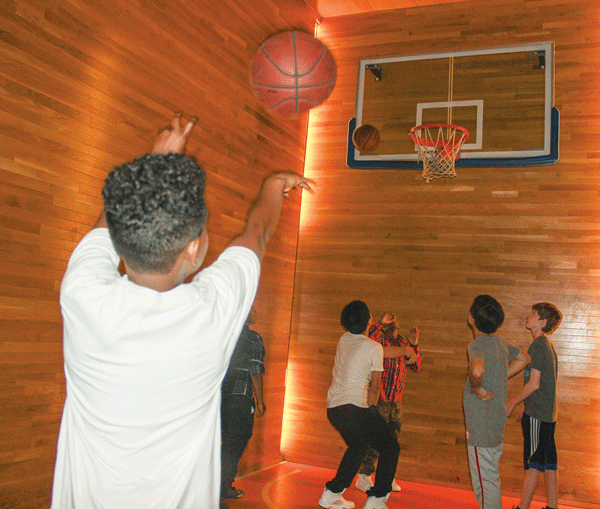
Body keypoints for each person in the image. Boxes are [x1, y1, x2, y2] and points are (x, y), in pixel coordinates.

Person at [50, 113, 313, 509]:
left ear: (120, 240)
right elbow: (256, 233)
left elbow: (110, 222)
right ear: (193, 248)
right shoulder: (212, 311)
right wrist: (275, 185)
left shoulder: (81, 294)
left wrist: (156, 160)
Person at [319, 301, 418, 509]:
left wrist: (404, 349)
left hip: (334, 409)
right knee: (390, 447)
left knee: (358, 447)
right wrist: (372, 411)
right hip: (355, 408)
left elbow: (380, 350)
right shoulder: (372, 348)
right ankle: (377, 500)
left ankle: (331, 494)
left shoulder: (344, 339)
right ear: (368, 321)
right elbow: (375, 387)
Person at [463, 295, 530, 509]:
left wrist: (475, 386)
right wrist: (502, 375)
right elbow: (525, 358)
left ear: (471, 318)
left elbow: (477, 369)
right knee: (491, 477)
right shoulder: (500, 344)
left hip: (481, 426)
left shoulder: (477, 344)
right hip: (495, 423)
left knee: (485, 483)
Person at [356, 312, 421, 493]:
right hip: (380, 398)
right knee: (375, 439)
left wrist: (414, 345)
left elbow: (416, 365)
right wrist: (380, 323)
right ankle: (364, 476)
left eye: (397, 318)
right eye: (391, 318)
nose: (395, 320)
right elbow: (367, 338)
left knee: (392, 442)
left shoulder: (403, 344)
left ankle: (386, 477)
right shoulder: (379, 340)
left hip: (396, 401)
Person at [506, 302, 562, 509]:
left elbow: (534, 383)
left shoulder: (538, 346)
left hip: (539, 415)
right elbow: (541, 385)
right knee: (548, 462)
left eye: (533, 314)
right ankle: (553, 506)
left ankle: (522, 507)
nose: (528, 317)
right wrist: (525, 408)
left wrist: (512, 403)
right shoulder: (546, 345)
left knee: (533, 462)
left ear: (542, 322)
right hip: (544, 413)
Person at [220, 306, 266, 500]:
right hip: (240, 396)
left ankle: (213, 484)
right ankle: (223, 487)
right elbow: (255, 371)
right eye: (252, 308)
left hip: (218, 395)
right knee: (235, 440)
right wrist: (260, 401)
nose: (255, 311)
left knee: (222, 442)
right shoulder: (253, 339)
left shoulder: (225, 333)